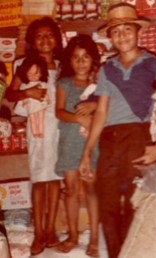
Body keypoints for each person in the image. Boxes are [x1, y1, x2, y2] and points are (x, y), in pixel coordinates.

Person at [78, 3, 156, 258]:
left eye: (127, 29)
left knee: (133, 202)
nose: (122, 36)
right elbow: (102, 112)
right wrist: (87, 153)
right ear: (110, 36)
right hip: (109, 140)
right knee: (107, 203)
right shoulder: (107, 69)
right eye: (116, 31)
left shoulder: (155, 65)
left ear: (138, 32)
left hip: (138, 138)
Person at [6, 17, 63, 255]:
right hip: (38, 129)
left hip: (61, 127)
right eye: (39, 35)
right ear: (31, 41)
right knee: (39, 179)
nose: (45, 40)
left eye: (50, 34)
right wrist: (27, 91)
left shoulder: (63, 65)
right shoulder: (24, 63)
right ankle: (38, 232)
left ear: (57, 39)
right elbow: (10, 94)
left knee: (55, 179)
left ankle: (51, 230)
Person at [55, 34, 100, 257]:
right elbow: (59, 111)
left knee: (92, 189)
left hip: (92, 145)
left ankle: (93, 240)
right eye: (75, 57)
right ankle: (73, 235)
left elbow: (104, 112)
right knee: (71, 190)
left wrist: (93, 107)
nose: (81, 62)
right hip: (69, 144)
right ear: (68, 61)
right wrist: (78, 118)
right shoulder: (63, 83)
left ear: (93, 60)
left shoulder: (99, 86)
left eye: (86, 57)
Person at [14, 55, 50, 138]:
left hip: (40, 104)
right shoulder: (25, 85)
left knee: (41, 118)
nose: (33, 76)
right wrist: (24, 100)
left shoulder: (42, 83)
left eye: (36, 73)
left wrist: (47, 99)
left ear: (41, 73)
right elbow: (23, 94)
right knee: (32, 119)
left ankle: (40, 131)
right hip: (31, 105)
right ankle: (35, 133)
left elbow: (45, 92)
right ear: (25, 74)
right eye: (30, 74)